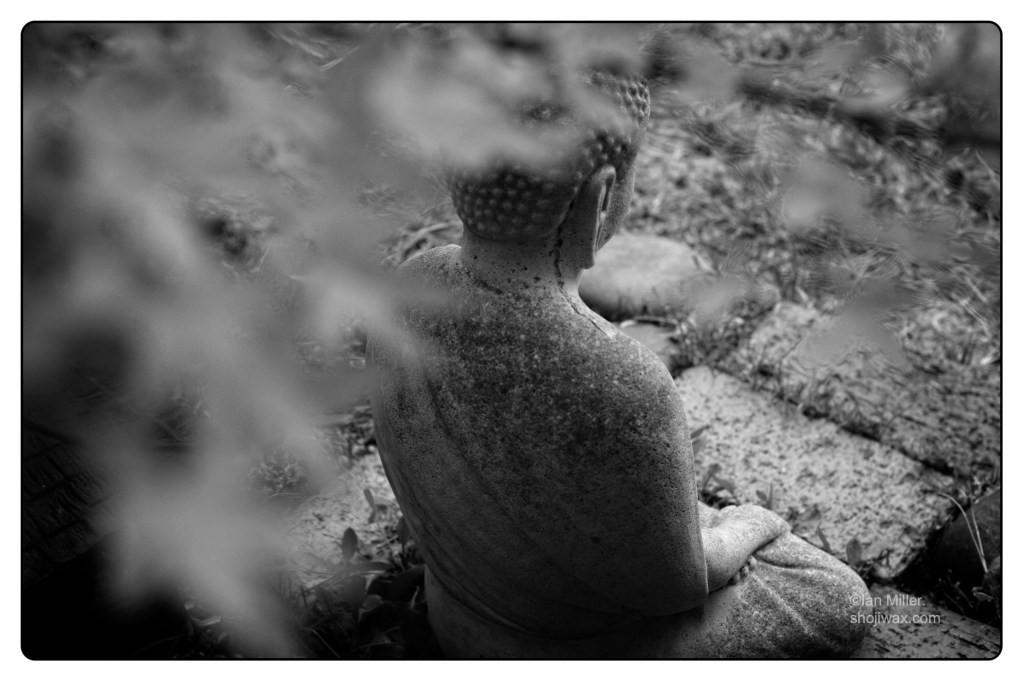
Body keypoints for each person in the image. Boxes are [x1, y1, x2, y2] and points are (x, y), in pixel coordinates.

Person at [368, 67, 871, 658]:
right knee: (836, 594)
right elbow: (677, 590)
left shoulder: (408, 288)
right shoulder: (622, 382)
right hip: (574, 647)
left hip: (456, 612)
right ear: (601, 196)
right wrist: (750, 526)